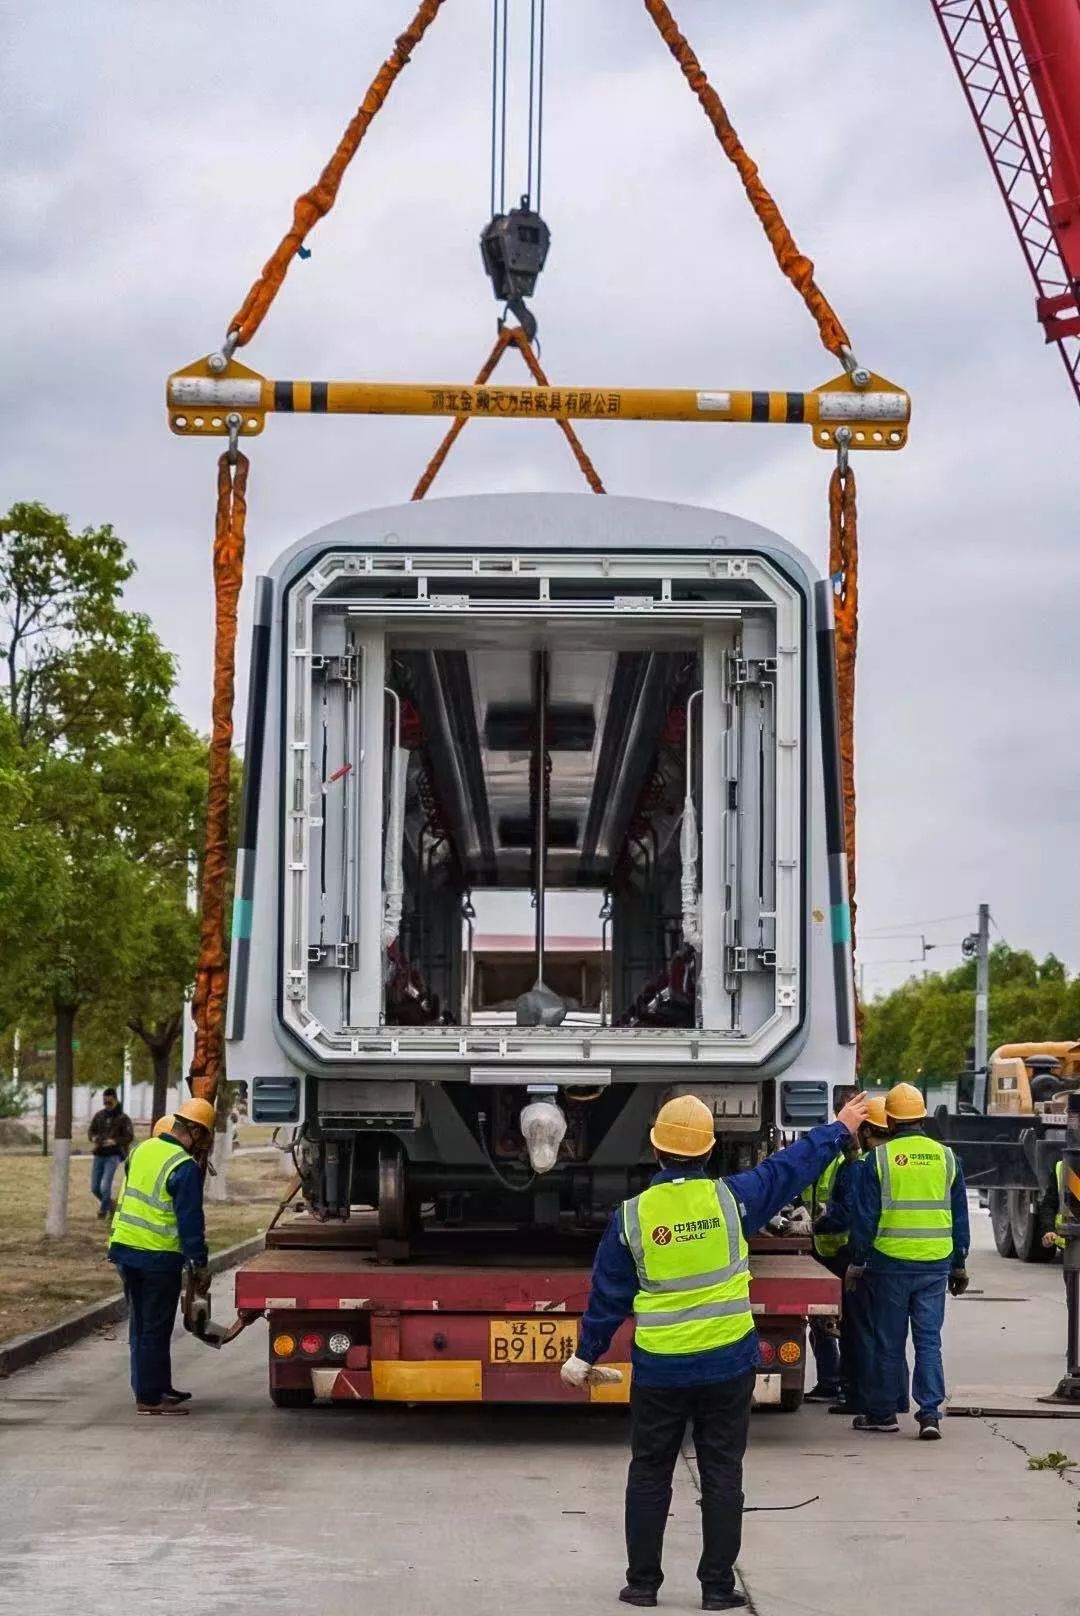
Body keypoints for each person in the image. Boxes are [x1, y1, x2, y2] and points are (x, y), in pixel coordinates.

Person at [560, 1088, 870, 1611]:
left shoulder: (631, 1217)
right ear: (709, 1150)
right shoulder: (733, 1200)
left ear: (655, 1149)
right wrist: (839, 1128)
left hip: (660, 1370)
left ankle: (642, 1584)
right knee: (723, 1472)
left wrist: (585, 1355)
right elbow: (790, 1167)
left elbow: (608, 1297)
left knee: (650, 1472)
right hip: (727, 1365)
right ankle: (718, 1587)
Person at [847, 1081, 969, 1441]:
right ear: (923, 1117)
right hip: (935, 1263)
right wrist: (959, 1262)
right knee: (929, 1341)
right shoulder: (947, 1157)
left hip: (890, 1264)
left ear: (890, 1121)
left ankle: (883, 1413)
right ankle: (930, 1415)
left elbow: (865, 1217)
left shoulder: (878, 1159)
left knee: (889, 1341)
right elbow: (959, 1216)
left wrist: (857, 1260)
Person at [108, 1097, 216, 1416]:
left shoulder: (141, 1150)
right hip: (157, 1259)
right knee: (154, 1328)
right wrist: (199, 1263)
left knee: (143, 1325)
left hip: (125, 1251)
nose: (203, 1145)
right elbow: (190, 1222)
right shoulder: (183, 1166)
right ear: (195, 1131)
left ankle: (157, 1387)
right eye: (204, 1136)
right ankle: (149, 1398)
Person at [813, 1095, 902, 1417]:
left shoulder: (862, 1166)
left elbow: (856, 1217)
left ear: (864, 1131)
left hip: (861, 1255)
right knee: (889, 1332)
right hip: (894, 1257)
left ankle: (861, 1398)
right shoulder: (887, 1162)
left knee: (859, 1330)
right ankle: (895, 1398)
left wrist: (855, 1259)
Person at [87, 1086, 134, 1218]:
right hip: (99, 1153)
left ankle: (103, 1211)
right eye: (105, 1102)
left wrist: (114, 1141)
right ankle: (111, 1205)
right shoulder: (99, 1116)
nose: (107, 1105)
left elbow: (129, 1136)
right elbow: (91, 1131)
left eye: (109, 1102)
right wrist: (94, 1138)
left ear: (115, 1100)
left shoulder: (123, 1118)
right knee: (94, 1188)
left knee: (105, 1186)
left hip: (113, 1155)